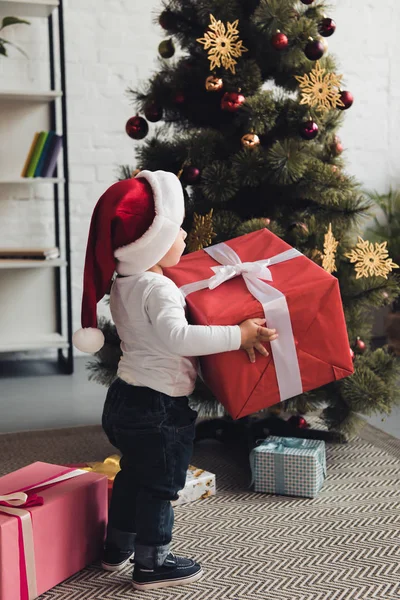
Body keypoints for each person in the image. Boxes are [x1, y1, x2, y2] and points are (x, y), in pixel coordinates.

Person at [73, 171, 278, 590]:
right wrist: (238, 335)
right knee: (161, 485)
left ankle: (117, 549)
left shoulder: (124, 283)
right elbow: (177, 337)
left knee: (133, 474)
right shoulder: (159, 288)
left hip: (124, 397)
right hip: (159, 406)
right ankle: (153, 563)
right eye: (175, 230)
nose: (184, 235)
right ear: (149, 242)